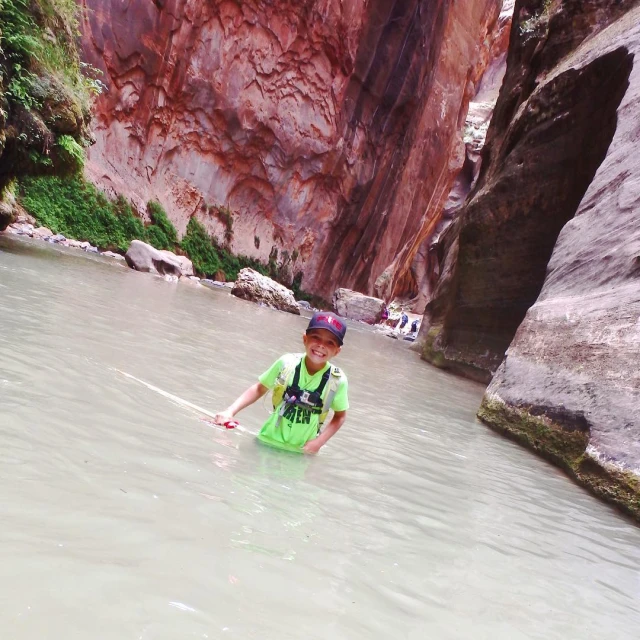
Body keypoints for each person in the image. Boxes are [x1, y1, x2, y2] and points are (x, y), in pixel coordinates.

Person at [214, 312, 349, 454]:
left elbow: (340, 417)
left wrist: (318, 443)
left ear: (337, 351)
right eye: (316, 337)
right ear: (305, 339)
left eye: (330, 342)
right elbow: (259, 388)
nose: (321, 345)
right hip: (266, 441)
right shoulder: (286, 363)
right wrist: (230, 411)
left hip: (301, 452)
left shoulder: (337, 381)